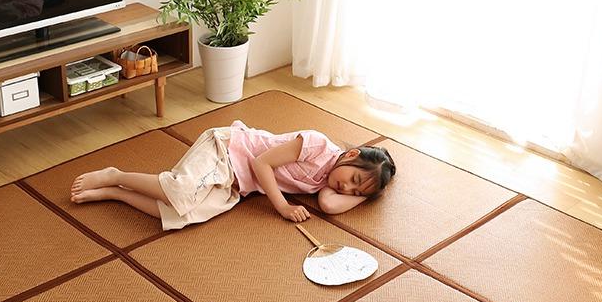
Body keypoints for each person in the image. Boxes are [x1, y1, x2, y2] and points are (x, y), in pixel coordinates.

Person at [69, 119, 396, 230]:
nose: (346, 188)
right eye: (354, 180)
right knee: (181, 192)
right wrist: (282, 206)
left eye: (355, 192)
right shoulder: (317, 144)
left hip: (236, 186)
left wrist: (363, 194)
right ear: (350, 154)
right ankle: (116, 175)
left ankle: (116, 194)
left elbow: (329, 204)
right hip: (227, 151)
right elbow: (262, 163)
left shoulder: (329, 184)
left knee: (184, 215)